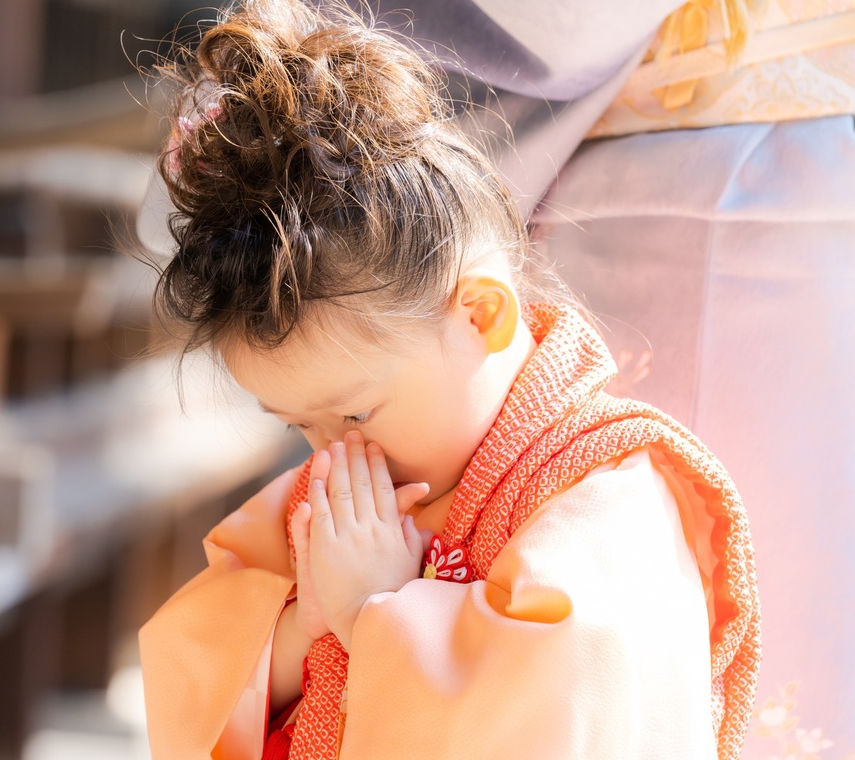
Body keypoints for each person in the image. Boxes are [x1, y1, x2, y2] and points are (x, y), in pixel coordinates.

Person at [137, 1, 761, 758]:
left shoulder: (604, 501)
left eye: (355, 413)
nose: (331, 451)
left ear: (480, 314)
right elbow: (193, 669)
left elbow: (564, 707)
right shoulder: (334, 495)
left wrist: (375, 609)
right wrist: (306, 624)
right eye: (297, 425)